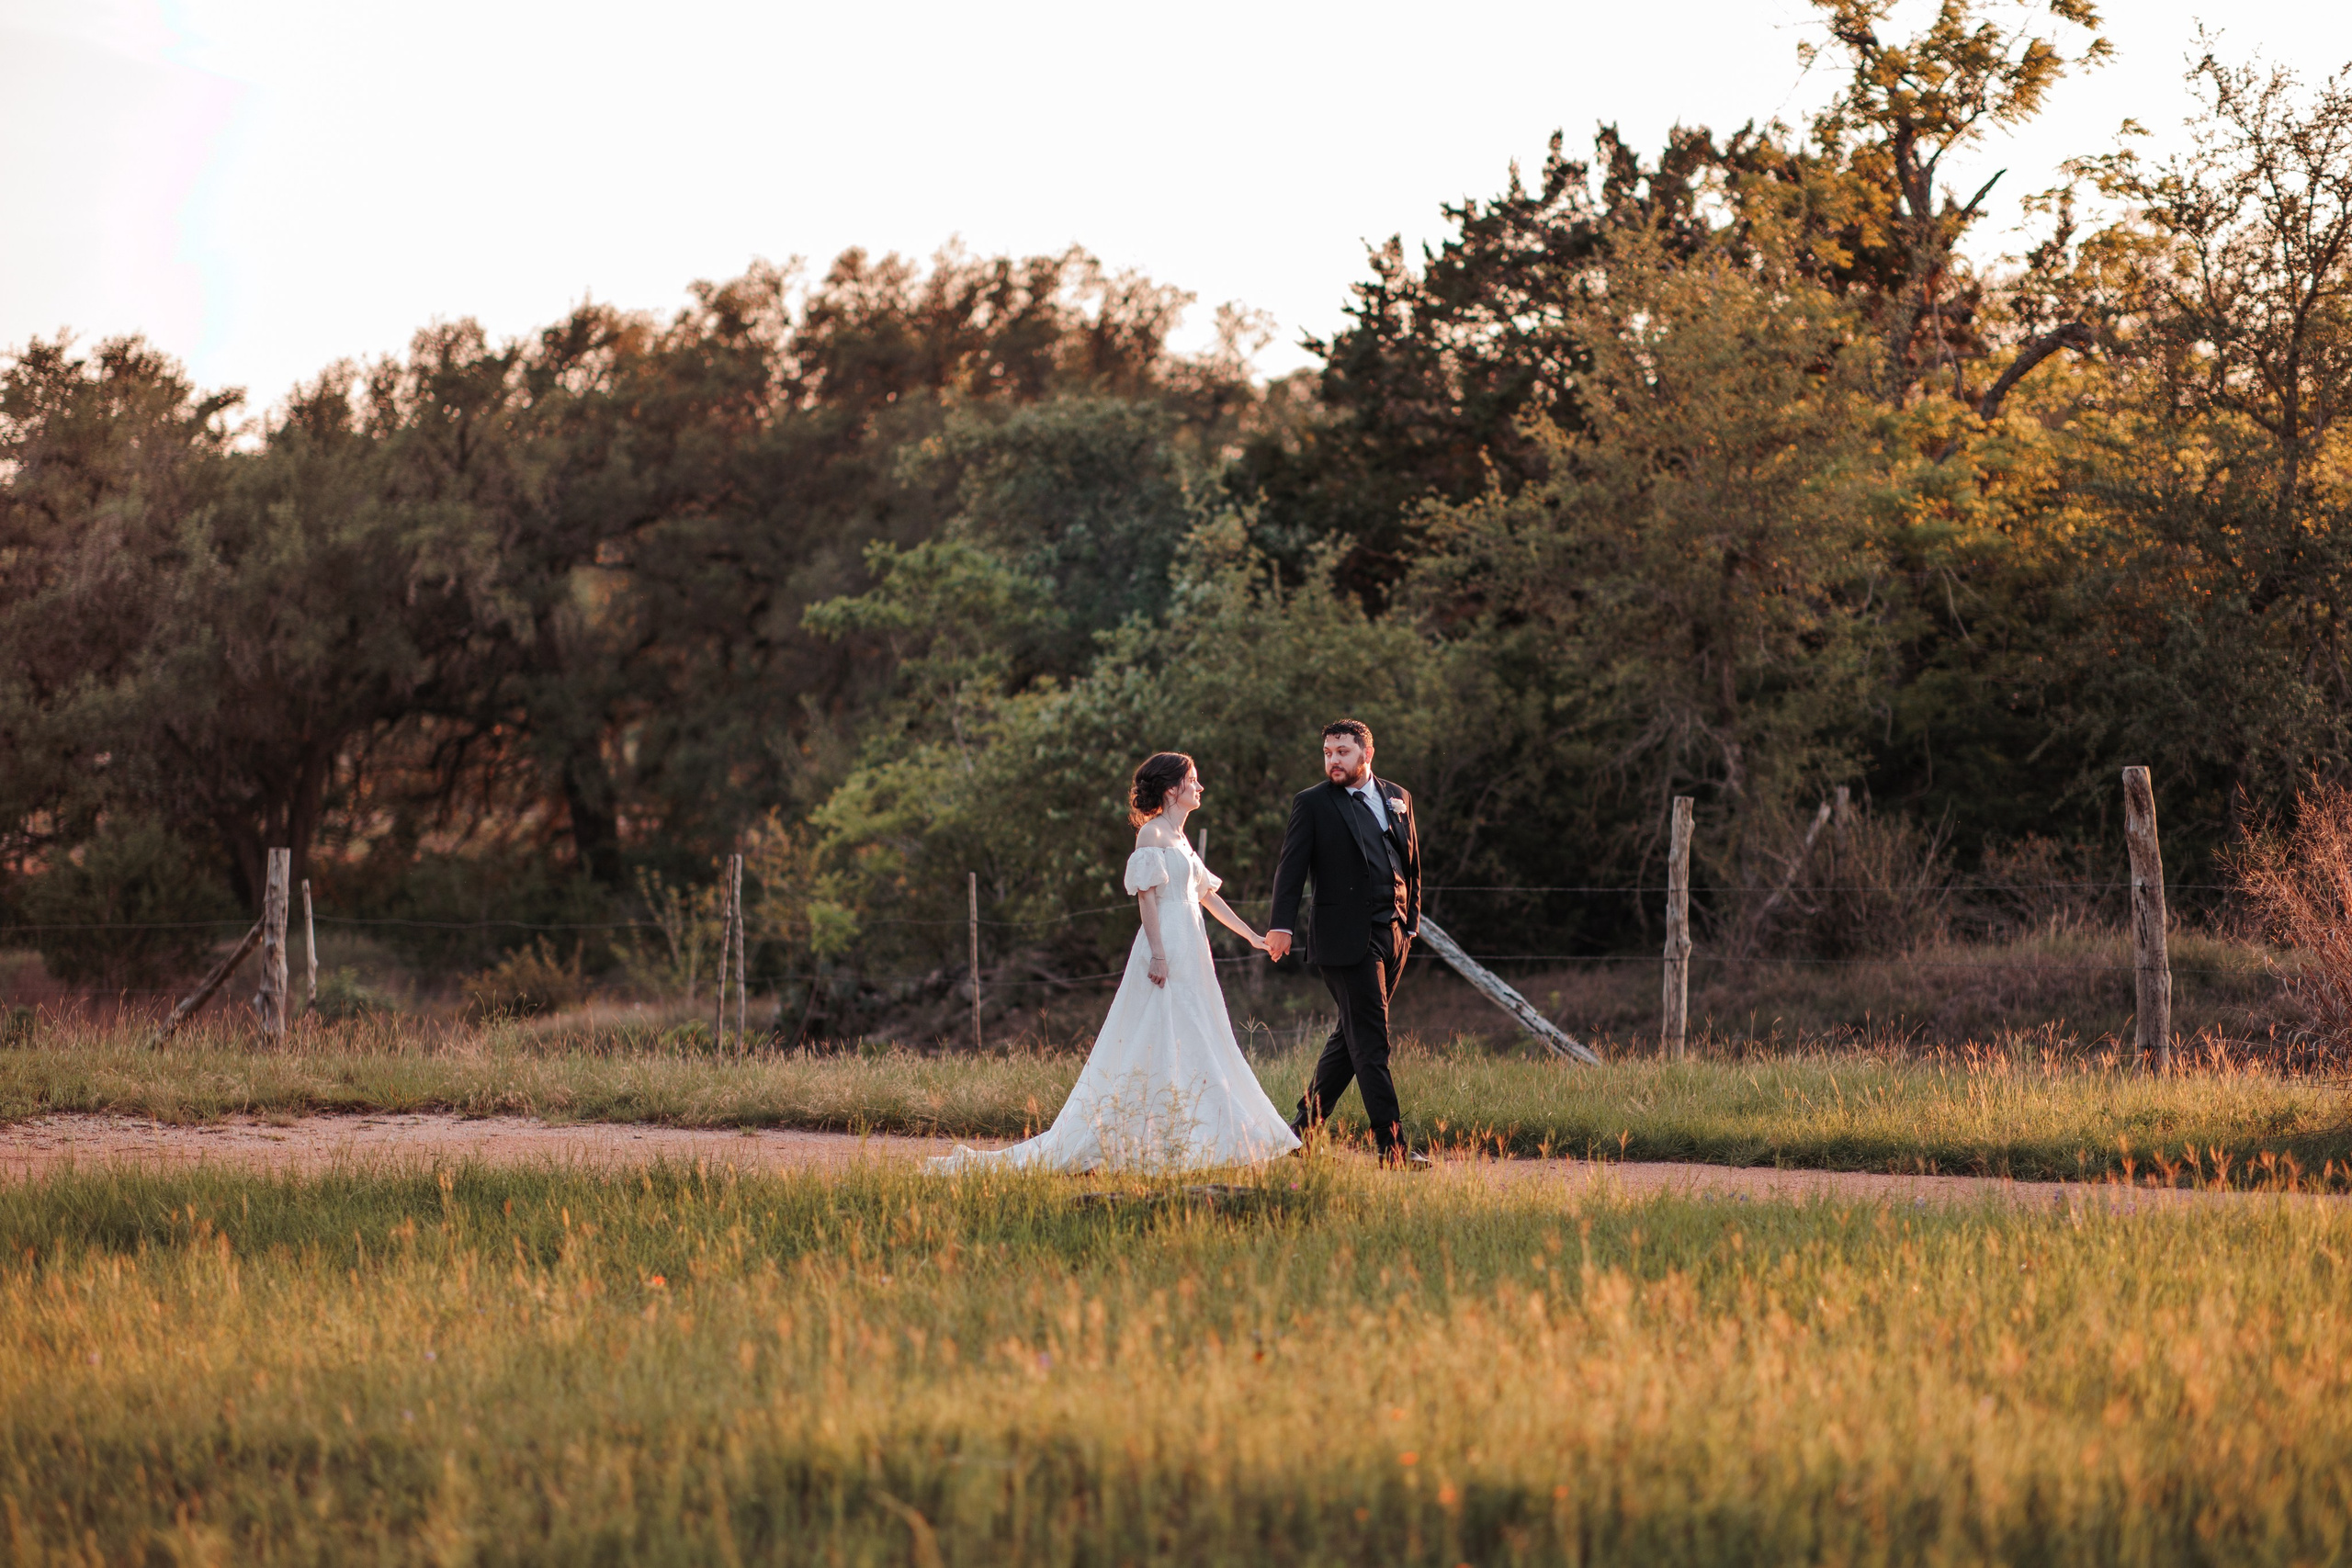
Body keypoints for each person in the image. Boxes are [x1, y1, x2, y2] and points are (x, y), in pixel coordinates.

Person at [928, 753, 1300, 1173]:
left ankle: (1200, 1131)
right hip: (1167, 943)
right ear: (1171, 789)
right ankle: (1141, 1138)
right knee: (1159, 1030)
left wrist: (1251, 935)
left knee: (1199, 1030)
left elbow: (1207, 896)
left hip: (1193, 946)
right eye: (1193, 780)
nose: (1200, 787)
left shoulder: (1181, 839)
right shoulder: (1153, 835)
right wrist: (1158, 954)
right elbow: (1147, 900)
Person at [1265, 719, 1430, 1168]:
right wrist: (1281, 925)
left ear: (1366, 754)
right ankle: (1392, 1149)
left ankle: (1301, 1134)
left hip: (1394, 932)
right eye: (1327, 753)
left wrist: (1410, 923)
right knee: (1372, 1041)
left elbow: (1412, 862)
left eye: (1342, 752)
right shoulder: (1313, 803)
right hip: (1343, 939)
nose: (1333, 760)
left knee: (1351, 1038)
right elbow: (1290, 868)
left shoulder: (1397, 797)